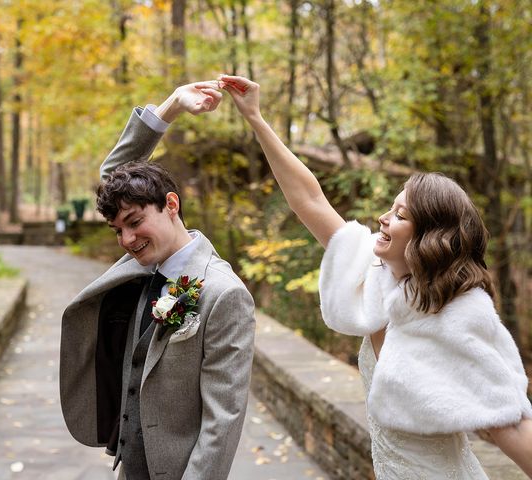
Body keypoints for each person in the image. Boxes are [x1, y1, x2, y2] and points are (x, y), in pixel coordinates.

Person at [218, 74, 532, 479]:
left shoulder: (459, 315)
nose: (384, 218)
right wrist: (257, 119)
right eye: (391, 207)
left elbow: (509, 423)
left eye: (401, 215)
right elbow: (309, 199)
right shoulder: (377, 276)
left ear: (429, 237)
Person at [59, 82, 256, 480]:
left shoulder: (225, 293)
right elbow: (116, 179)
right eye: (118, 231)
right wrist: (170, 107)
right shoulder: (144, 265)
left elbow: (223, 421)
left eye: (134, 223)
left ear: (171, 204)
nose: (127, 240)